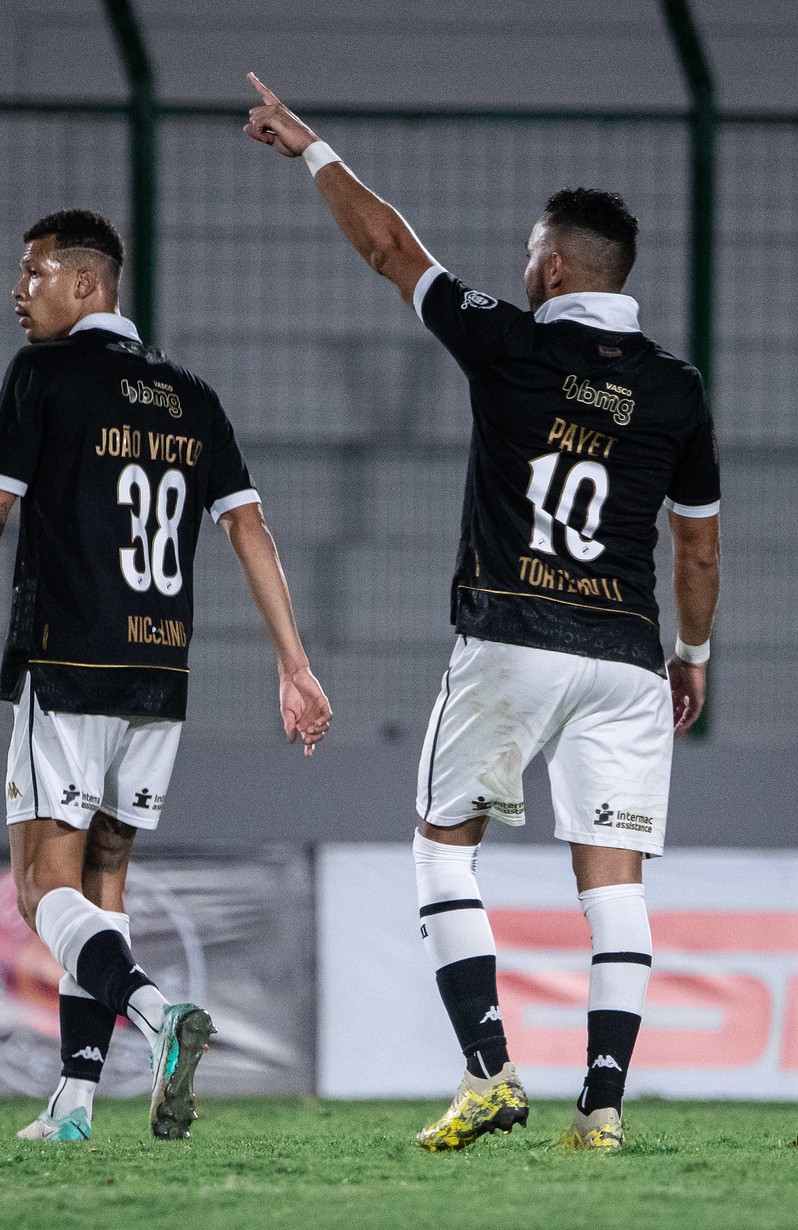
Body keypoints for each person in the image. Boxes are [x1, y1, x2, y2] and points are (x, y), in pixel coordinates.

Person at [244, 73, 720, 1153]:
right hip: (629, 655)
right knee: (614, 881)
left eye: (527, 253)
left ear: (552, 267)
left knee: (441, 852)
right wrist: (691, 655)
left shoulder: (511, 341)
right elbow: (698, 545)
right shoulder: (677, 389)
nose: (520, 266)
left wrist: (314, 148)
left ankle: (491, 1069)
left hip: (514, 634)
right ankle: (601, 1105)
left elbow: (390, 252)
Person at [1, 208, 331, 1142]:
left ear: (86, 285)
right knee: (106, 878)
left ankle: (153, 1014)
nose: (20, 294)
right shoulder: (192, 396)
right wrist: (293, 665)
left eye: (34, 274)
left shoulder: (44, 376)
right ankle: (72, 1103)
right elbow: (248, 530)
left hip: (67, 657)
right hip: (159, 666)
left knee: (39, 886)